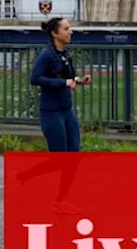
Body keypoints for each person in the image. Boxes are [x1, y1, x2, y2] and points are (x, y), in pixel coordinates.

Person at [30, 17, 92, 152]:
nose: (71, 32)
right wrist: (65, 83)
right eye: (66, 29)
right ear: (54, 33)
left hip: (67, 111)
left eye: (70, 28)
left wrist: (78, 80)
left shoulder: (64, 54)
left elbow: (67, 77)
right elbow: (35, 78)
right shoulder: (47, 54)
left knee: (74, 152)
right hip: (52, 112)